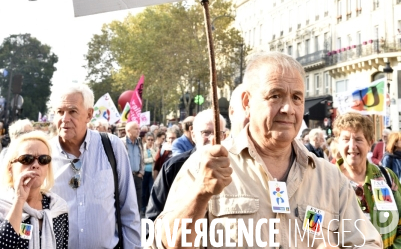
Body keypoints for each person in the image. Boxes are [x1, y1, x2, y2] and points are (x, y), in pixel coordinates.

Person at [151, 52, 381, 249]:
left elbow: (369, 242)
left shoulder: (329, 179)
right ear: (246, 102)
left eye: (297, 97)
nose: (288, 108)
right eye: (275, 95)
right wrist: (200, 194)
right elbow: (165, 243)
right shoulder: (206, 165)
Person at [50, 83, 140, 249]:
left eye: (72, 111)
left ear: (89, 115)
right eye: (59, 112)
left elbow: (129, 209)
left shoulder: (112, 147)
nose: (65, 119)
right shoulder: (43, 155)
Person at [334, 112, 401, 247]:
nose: (352, 146)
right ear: (338, 142)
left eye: (358, 139)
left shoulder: (387, 177)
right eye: (346, 139)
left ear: (370, 143)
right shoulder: (326, 181)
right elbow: (313, 234)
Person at [145, 110, 226, 222]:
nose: (212, 138)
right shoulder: (173, 167)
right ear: (193, 135)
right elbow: (152, 220)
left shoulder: (235, 169)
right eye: (206, 133)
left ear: (225, 136)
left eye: (217, 133)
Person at [0, 130, 68, 248]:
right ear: (10, 167)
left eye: (43, 159)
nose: (36, 164)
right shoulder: (2, 206)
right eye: (27, 159)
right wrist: (19, 200)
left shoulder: (58, 208)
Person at [122, 121, 145, 215]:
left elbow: (142, 158)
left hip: (137, 176)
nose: (138, 131)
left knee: (138, 200)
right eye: (136, 129)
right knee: (126, 200)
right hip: (126, 177)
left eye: (139, 128)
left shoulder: (139, 142)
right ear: (128, 130)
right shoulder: (121, 142)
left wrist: (141, 172)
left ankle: (137, 219)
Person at [142, 134, 156, 216]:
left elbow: (155, 158)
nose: (150, 141)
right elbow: (143, 160)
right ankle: (143, 208)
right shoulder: (142, 148)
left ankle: (150, 208)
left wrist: (151, 150)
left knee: (151, 190)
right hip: (144, 172)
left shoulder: (154, 148)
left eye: (152, 139)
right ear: (146, 140)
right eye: (149, 139)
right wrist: (151, 159)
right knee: (144, 191)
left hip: (152, 172)